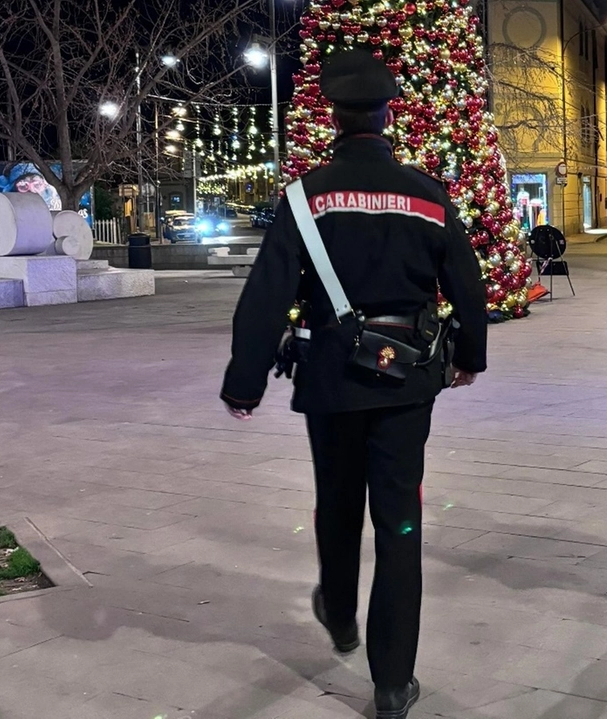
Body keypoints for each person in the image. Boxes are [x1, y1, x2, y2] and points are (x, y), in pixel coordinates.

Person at [220, 49, 489, 719]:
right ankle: (393, 683)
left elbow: (267, 292)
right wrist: (469, 357)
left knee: (336, 501)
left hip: (332, 377)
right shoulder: (429, 196)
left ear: (333, 117)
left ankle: (340, 613)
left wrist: (244, 380)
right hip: (407, 381)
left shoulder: (305, 197)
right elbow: (468, 285)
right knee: (399, 520)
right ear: (388, 114)